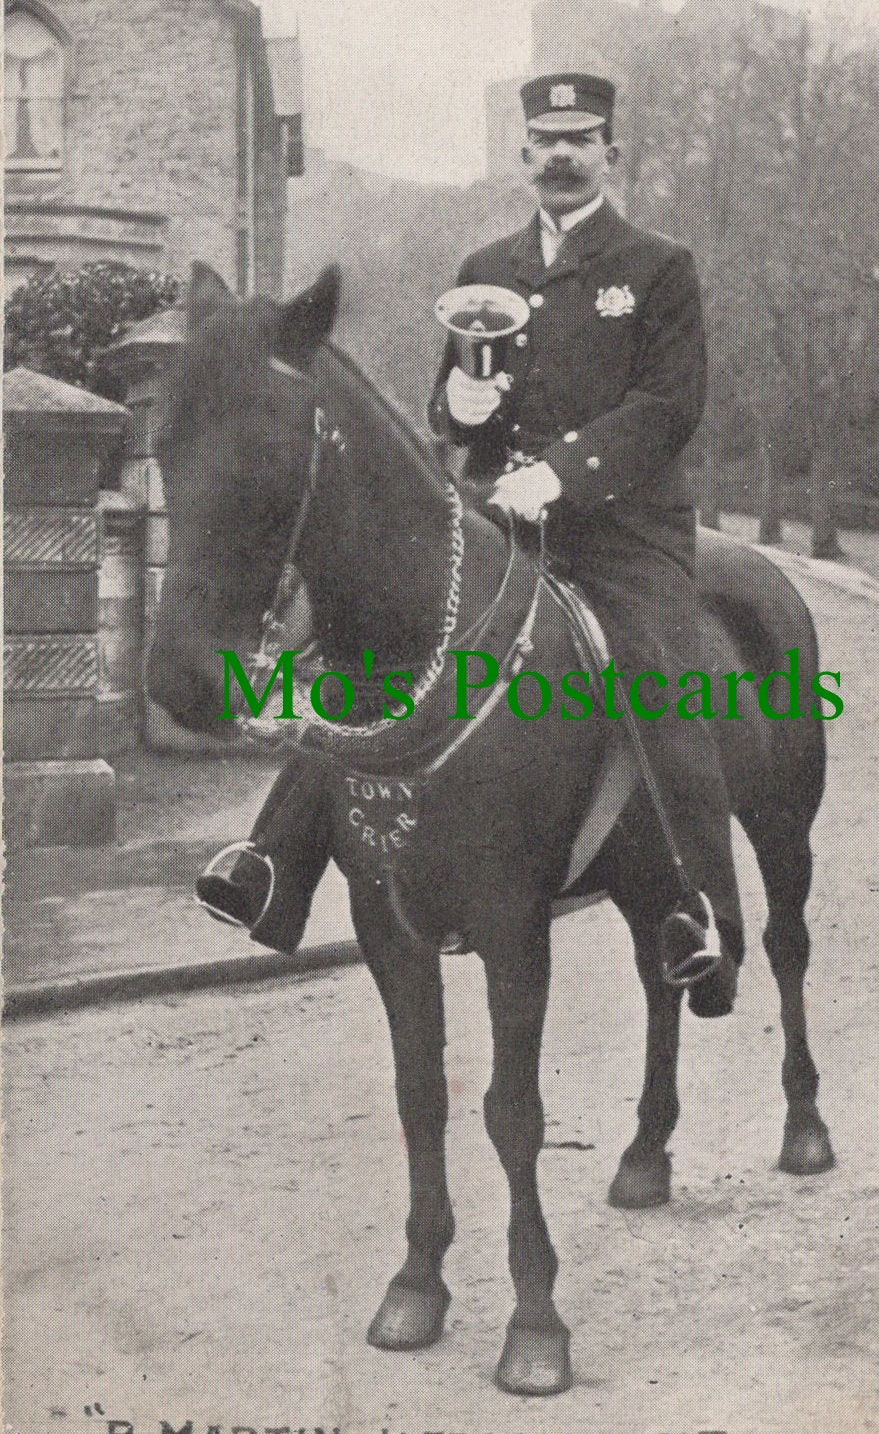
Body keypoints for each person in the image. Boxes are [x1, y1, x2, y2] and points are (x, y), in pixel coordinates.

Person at [198, 72, 744, 1011]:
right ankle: (272, 858)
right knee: (363, 642)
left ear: (609, 155)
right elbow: (444, 407)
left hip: (620, 535)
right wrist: (461, 405)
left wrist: (564, 475)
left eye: (582, 140)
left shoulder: (657, 267)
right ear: (524, 156)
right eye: (544, 141)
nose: (562, 156)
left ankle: (702, 914)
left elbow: (667, 406)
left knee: (656, 676)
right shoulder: (483, 268)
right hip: (496, 518)